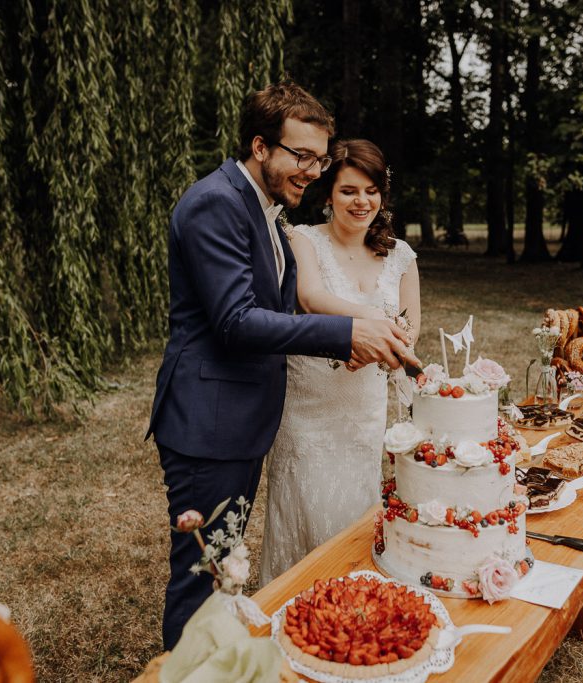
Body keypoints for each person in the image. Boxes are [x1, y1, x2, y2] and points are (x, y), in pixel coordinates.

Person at [145, 82, 419, 649]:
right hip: (208, 425)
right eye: (302, 156)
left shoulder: (265, 209)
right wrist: (346, 334)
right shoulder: (214, 202)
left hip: (241, 422)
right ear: (261, 146)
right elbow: (235, 322)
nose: (312, 171)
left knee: (224, 571)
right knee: (204, 576)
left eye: (319, 158)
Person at [259, 139, 421, 586]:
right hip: (309, 409)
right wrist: (368, 324)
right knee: (306, 512)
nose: (361, 201)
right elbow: (311, 298)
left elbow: (410, 329)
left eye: (371, 191)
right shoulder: (303, 239)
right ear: (329, 192)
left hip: (361, 409)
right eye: (349, 190)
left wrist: (383, 347)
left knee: (354, 517)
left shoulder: (402, 256)